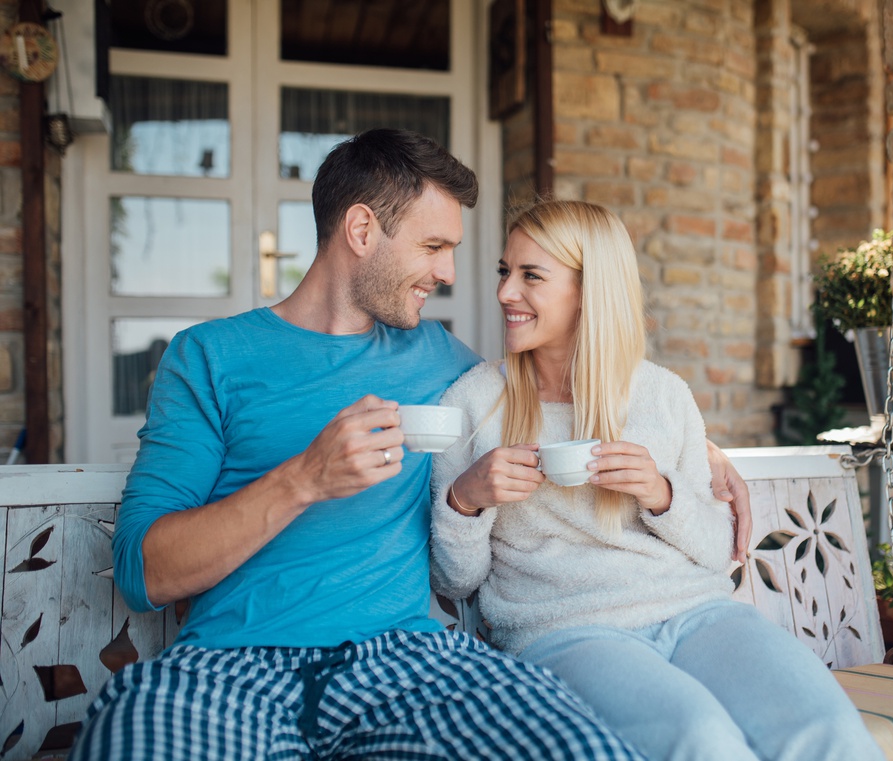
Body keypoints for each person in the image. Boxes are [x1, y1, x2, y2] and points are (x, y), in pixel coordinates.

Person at [72, 130, 650, 760]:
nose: (448, 273)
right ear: (361, 229)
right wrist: (303, 480)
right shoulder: (209, 357)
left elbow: (562, 396)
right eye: (433, 246)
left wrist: (700, 455)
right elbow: (141, 572)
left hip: (406, 663)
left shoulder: (446, 364)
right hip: (228, 665)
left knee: (578, 749)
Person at [430, 200, 885, 761]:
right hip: (569, 631)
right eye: (505, 271)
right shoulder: (475, 402)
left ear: (589, 290)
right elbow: (454, 582)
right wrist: (466, 500)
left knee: (825, 726)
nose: (504, 292)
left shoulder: (662, 395)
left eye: (530, 276)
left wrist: (662, 494)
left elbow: (720, 549)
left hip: (699, 615)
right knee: (700, 741)